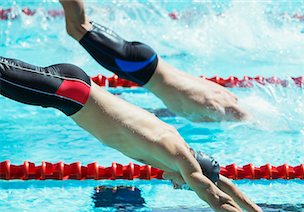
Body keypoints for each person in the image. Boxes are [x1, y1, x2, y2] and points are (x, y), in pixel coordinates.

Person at [0, 56, 275, 212]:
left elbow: (221, 183)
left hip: (71, 91)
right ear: (194, 174)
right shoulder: (178, 155)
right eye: (188, 186)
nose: (178, 187)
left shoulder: (179, 155)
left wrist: (258, 211)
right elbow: (216, 198)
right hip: (71, 92)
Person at [59, 0, 248, 122]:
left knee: (79, 26)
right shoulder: (208, 106)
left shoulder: (219, 95)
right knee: (77, 27)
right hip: (136, 66)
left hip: (144, 61)